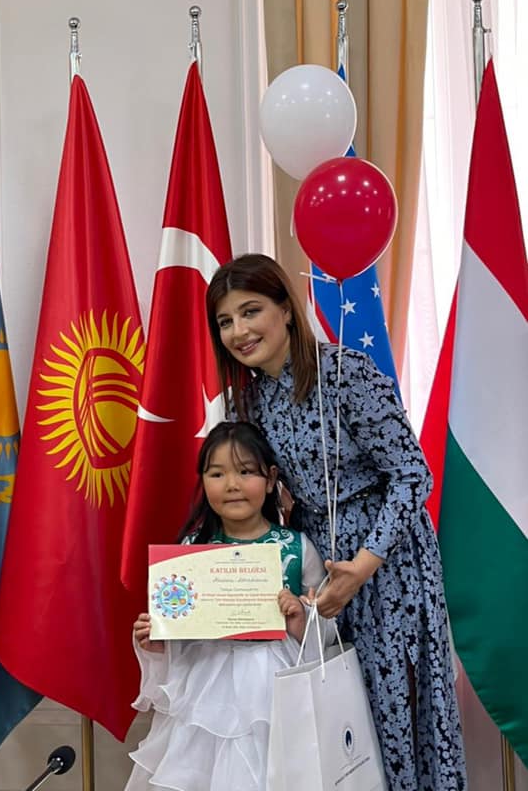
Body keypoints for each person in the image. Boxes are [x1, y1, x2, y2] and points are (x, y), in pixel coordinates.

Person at [205, 252, 467, 791]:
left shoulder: (347, 373)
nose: (239, 331)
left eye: (250, 311)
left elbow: (413, 476)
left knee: (394, 713)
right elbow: (252, 499)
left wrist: (363, 566)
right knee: (336, 721)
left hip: (387, 566)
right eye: (226, 321)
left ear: (285, 309)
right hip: (316, 570)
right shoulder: (248, 402)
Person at [125, 421, 332, 791]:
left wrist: (301, 619)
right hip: (205, 691)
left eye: (245, 472)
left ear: (270, 479)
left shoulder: (297, 547)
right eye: (217, 473)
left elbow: (328, 634)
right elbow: (181, 636)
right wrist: (158, 644)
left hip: (276, 688)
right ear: (203, 482)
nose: (232, 484)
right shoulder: (189, 552)